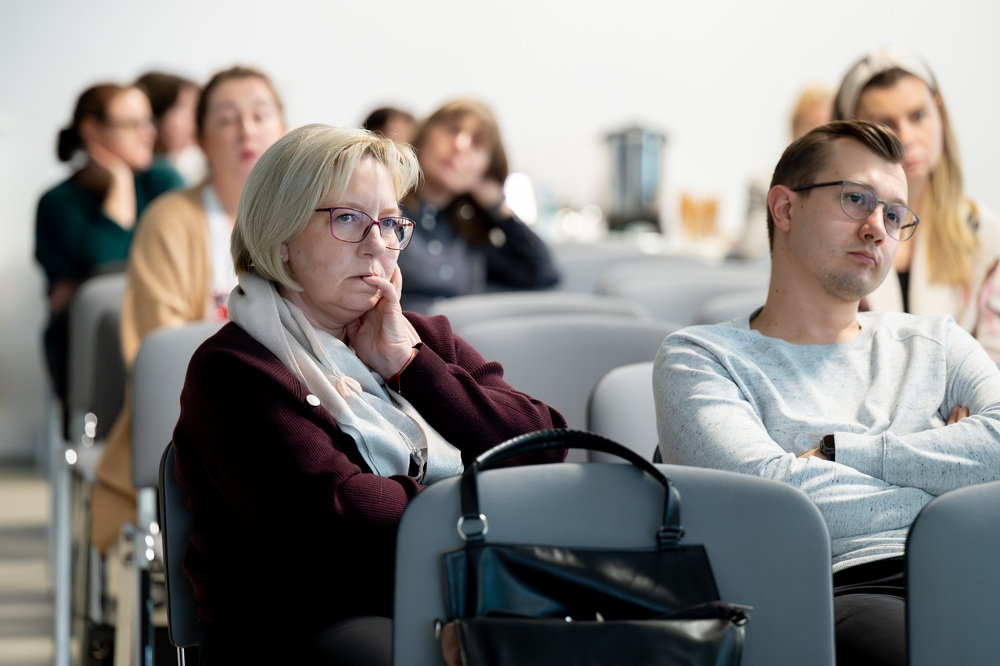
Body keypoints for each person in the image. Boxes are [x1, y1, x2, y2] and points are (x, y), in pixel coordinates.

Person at [172, 124, 567, 665]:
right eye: (349, 219)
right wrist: (498, 507)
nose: (378, 244)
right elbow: (342, 525)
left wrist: (412, 367)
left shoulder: (422, 338)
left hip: (461, 595)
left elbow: (546, 449)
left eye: (390, 223)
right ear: (280, 240)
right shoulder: (235, 369)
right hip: (301, 624)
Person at [654, 120, 1000, 666]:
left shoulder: (936, 340)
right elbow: (774, 507)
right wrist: (952, 470)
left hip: (982, 563)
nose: (876, 229)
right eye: (855, 199)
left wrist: (842, 452)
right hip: (847, 591)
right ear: (785, 209)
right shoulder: (701, 358)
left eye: (893, 214)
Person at [89, 65, 287, 554]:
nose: (246, 130)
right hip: (202, 427)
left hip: (290, 422)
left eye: (261, 115)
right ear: (199, 136)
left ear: (283, 129)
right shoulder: (170, 222)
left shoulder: (305, 221)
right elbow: (160, 350)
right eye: (226, 119)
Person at [832, 47, 1000, 357]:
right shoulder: (828, 229)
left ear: (940, 113)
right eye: (885, 124)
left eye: (918, 116)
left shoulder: (986, 236)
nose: (906, 137)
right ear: (851, 135)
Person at [35, 82, 184, 404]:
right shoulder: (57, 202)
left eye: (148, 122)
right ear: (91, 130)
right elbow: (105, 263)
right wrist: (120, 183)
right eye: (133, 125)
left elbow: (181, 262)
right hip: (90, 349)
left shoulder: (164, 181)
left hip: (160, 329)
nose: (148, 134)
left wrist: (82, 281)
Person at [395, 99, 560, 312]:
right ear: (424, 134)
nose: (460, 145)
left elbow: (543, 273)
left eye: (477, 143)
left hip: (458, 341)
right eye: (452, 130)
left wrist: (497, 207)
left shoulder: (471, 236)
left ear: (487, 167)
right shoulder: (383, 212)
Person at [730, 85, 832, 260]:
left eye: (830, 128)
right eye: (813, 126)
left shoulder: (852, 195)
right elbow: (753, 253)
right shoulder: (767, 186)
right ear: (794, 131)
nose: (822, 138)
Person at [135, 70, 205, 184]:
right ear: (152, 118)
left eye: (196, 108)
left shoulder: (196, 166)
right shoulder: (159, 177)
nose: (195, 118)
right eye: (183, 108)